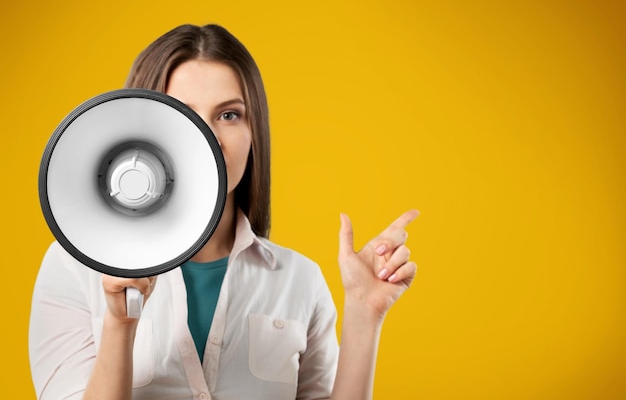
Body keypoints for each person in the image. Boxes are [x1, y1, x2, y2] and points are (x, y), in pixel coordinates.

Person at [29, 24, 418, 400]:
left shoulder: (299, 280)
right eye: (183, 113)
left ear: (254, 133)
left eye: (229, 115)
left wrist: (364, 315)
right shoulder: (75, 267)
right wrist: (120, 323)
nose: (207, 138)